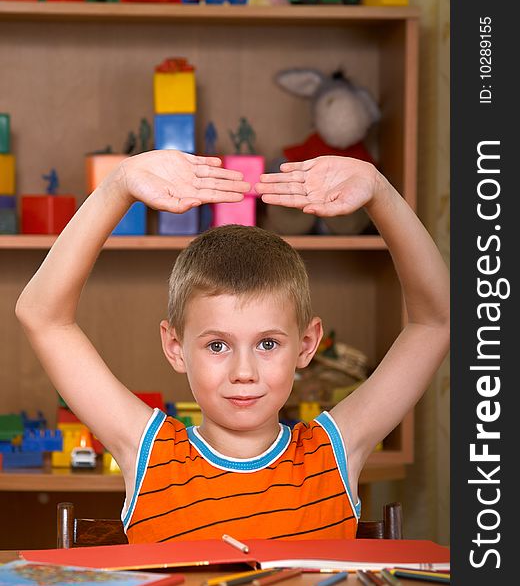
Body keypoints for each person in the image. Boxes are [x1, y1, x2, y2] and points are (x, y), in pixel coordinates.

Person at [15, 150, 449, 543]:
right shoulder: (147, 451)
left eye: (267, 343)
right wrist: (118, 185)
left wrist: (379, 192)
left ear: (307, 344)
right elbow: (42, 315)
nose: (244, 372)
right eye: (218, 345)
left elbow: (436, 321)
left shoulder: (334, 452)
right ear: (175, 346)